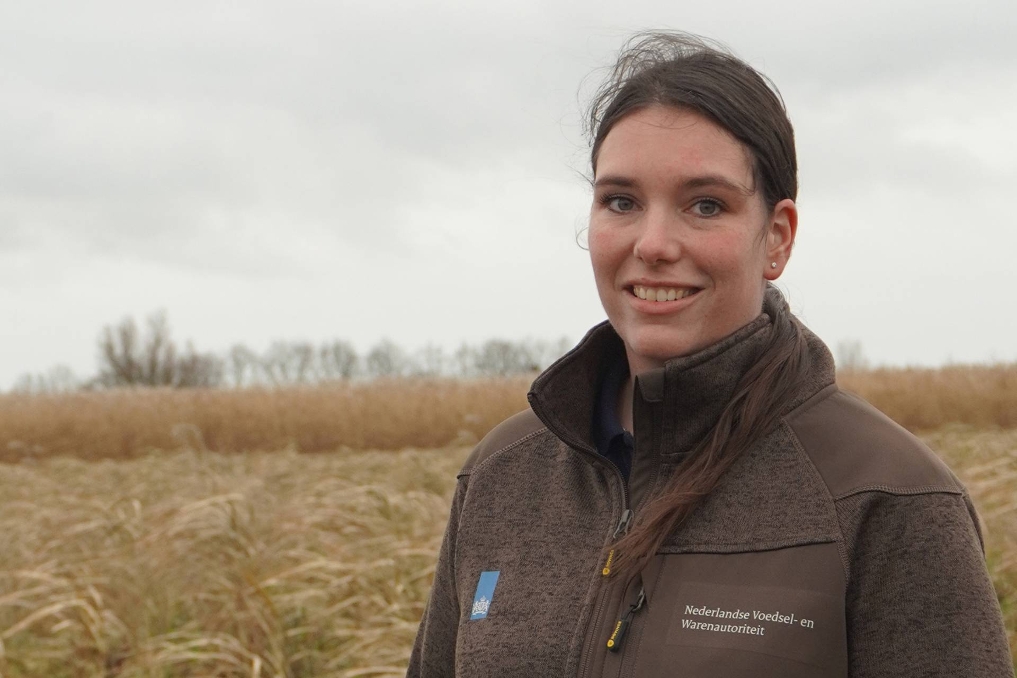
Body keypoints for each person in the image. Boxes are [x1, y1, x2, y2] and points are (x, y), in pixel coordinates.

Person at [407, 32, 1013, 677]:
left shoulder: (887, 494)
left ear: (776, 238)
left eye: (705, 205)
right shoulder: (502, 475)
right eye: (621, 202)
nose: (655, 243)